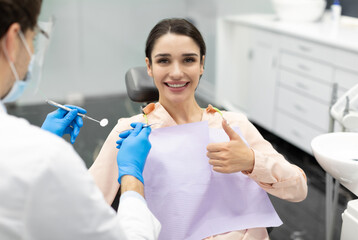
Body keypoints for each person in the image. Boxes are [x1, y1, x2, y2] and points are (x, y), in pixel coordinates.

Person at [90, 18, 308, 239]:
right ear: (149, 66)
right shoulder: (130, 133)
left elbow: (298, 189)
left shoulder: (233, 124)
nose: (176, 72)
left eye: (188, 60)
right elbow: (86, 207)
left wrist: (252, 162)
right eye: (164, 61)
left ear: (201, 64)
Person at [0, 0, 160, 239]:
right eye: (34, 39)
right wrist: (131, 179)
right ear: (13, 41)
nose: (33, 52)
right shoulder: (42, 157)